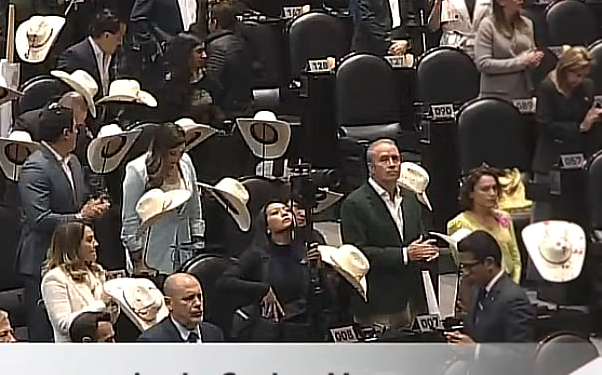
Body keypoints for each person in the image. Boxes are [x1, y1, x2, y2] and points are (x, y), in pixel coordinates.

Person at [16, 104, 106, 341]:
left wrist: (93, 206)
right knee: (45, 334)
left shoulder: (73, 162)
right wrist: (80, 217)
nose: (79, 132)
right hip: (43, 260)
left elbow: (78, 202)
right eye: (76, 128)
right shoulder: (35, 168)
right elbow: (40, 218)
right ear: (66, 133)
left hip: (73, 260)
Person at [339, 139, 437, 328]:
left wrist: (427, 250)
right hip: (379, 301)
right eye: (384, 160)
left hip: (413, 297)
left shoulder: (410, 198)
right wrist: (404, 254)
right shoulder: (354, 204)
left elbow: (418, 237)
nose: (392, 164)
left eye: (395, 159)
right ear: (371, 168)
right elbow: (356, 254)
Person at [220, 201, 346, 341]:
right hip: (273, 333)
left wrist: (319, 268)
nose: (284, 213)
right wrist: (263, 289)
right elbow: (225, 281)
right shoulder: (258, 254)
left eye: (286, 210)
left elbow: (327, 297)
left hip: (306, 329)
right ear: (267, 226)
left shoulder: (307, 249)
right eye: (275, 213)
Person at [121, 122, 203, 275]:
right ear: (160, 150)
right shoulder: (137, 170)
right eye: (172, 153)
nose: (177, 158)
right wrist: (138, 261)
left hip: (183, 249)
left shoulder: (186, 163)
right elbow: (130, 220)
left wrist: (197, 240)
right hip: (151, 253)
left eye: (181, 152)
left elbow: (194, 207)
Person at [447, 167, 522, 316]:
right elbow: (463, 265)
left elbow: (515, 258)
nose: (492, 193)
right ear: (471, 193)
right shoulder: (459, 223)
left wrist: (512, 286)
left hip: (507, 287)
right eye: (485, 189)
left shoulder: (504, 218)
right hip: (478, 292)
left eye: (494, 188)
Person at [445, 231, 534, 345]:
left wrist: (475, 350)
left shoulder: (514, 299)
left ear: (489, 263)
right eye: (463, 266)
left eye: (469, 266)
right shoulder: (477, 290)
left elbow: (520, 352)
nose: (466, 272)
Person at [533, 47, 601, 180]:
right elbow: (544, 125)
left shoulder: (587, 86)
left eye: (584, 75)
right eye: (577, 75)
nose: (580, 80)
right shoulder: (547, 87)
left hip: (579, 153)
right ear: (565, 70)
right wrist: (580, 127)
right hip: (552, 155)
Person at [41, 220, 111, 342]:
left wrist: (113, 303)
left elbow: (108, 319)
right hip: (74, 349)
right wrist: (101, 304)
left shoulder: (96, 271)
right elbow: (64, 324)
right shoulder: (54, 279)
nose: (96, 244)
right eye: (89, 240)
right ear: (73, 246)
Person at [474, 0, 542, 100]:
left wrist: (534, 59)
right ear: (501, 1)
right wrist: (520, 62)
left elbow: (530, 55)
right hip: (496, 94)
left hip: (523, 92)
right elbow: (483, 64)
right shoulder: (487, 25)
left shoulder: (527, 23)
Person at [137, 273, 224, 341]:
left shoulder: (214, 333)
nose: (198, 303)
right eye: (188, 299)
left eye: (199, 296)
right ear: (168, 303)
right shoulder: (152, 341)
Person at [160, 34, 222, 124]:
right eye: (199, 52)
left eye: (204, 51)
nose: (204, 56)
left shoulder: (210, 80)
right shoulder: (169, 86)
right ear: (186, 55)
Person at [205, 2, 253, 118]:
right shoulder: (241, 42)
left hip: (226, 109)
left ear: (214, 22)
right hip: (244, 104)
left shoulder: (216, 46)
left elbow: (214, 83)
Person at [57, 10, 126, 89]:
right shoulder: (74, 56)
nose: (120, 43)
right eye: (118, 38)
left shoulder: (115, 56)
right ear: (106, 36)